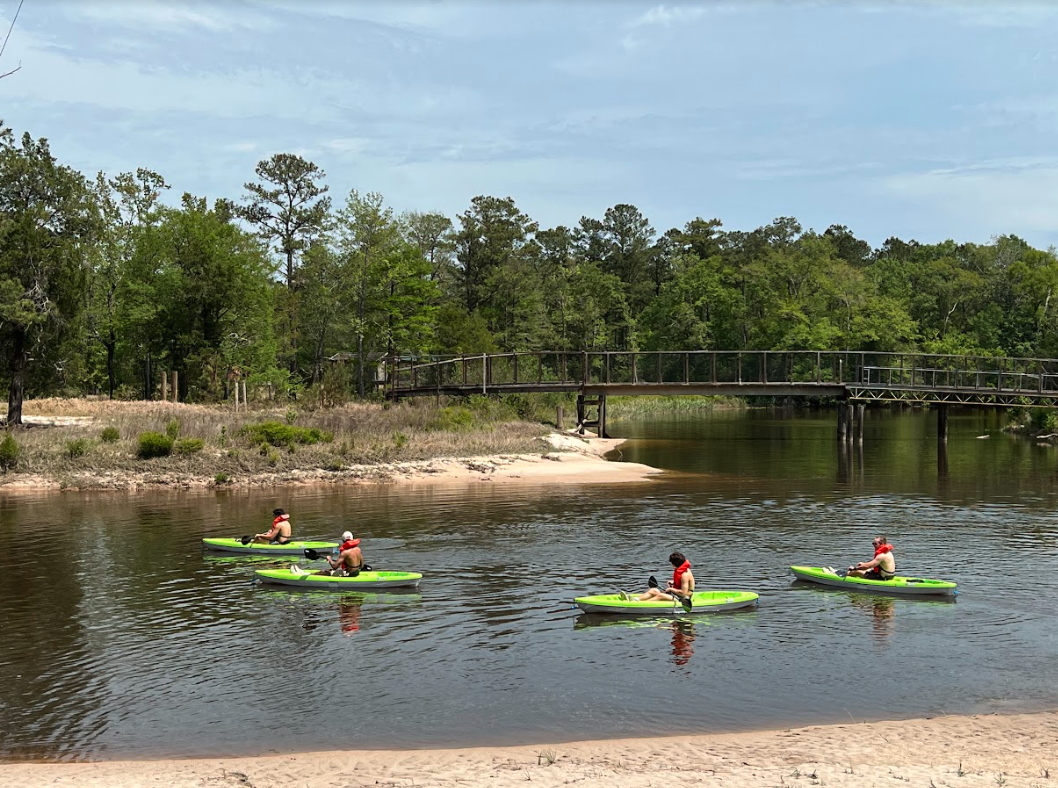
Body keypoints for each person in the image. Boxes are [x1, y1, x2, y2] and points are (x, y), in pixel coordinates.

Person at [623, 552, 694, 602]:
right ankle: (636, 600)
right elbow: (681, 584)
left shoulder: (684, 575)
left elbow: (683, 593)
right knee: (654, 590)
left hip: (684, 599)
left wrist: (671, 589)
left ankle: (641, 604)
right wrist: (673, 583)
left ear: (675, 563)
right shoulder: (681, 570)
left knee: (661, 596)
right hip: (677, 595)